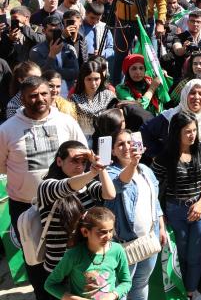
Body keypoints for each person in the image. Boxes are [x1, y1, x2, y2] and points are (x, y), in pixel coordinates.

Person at [0, 75, 87, 284]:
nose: (39, 99)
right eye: (33, 96)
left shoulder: (66, 122)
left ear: (52, 95)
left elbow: (83, 156)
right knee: (35, 261)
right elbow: (2, 165)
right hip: (25, 207)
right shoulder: (6, 129)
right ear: (22, 99)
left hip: (66, 204)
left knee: (71, 257)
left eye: (44, 94)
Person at [35, 141, 115, 300]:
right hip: (60, 269)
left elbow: (109, 194)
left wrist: (100, 167)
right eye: (74, 160)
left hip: (85, 267)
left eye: (83, 161)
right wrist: (92, 172)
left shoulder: (87, 184)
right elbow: (67, 187)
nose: (80, 165)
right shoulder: (46, 186)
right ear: (59, 161)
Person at [152, 113, 201, 300]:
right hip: (175, 209)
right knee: (179, 253)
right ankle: (179, 291)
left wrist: (200, 203)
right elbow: (154, 188)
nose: (192, 135)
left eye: (194, 130)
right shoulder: (164, 158)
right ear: (176, 133)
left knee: (195, 254)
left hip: (199, 208)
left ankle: (191, 291)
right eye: (187, 131)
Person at [105, 130, 167, 300]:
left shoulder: (146, 170)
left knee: (140, 284)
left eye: (129, 142)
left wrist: (161, 227)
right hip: (124, 243)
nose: (126, 147)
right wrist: (132, 164)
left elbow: (155, 201)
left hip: (149, 239)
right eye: (120, 144)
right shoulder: (108, 173)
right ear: (113, 151)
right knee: (121, 288)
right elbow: (119, 185)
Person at [44, 206, 132, 300]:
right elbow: (50, 285)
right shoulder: (73, 255)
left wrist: (113, 295)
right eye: (102, 232)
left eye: (110, 231)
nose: (108, 236)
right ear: (85, 232)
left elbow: (126, 282)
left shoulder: (117, 250)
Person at [141, 79, 201, 163]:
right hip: (176, 171)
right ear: (185, 94)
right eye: (192, 93)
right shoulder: (170, 116)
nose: (196, 97)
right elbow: (144, 131)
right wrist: (158, 155)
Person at [70, 60, 118, 140]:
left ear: (101, 79)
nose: (93, 83)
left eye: (96, 79)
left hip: (105, 139)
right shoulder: (74, 99)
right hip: (82, 139)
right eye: (89, 79)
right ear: (83, 79)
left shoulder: (109, 97)